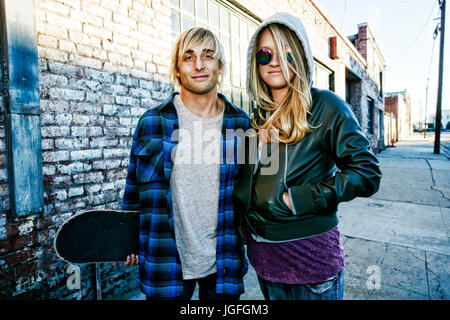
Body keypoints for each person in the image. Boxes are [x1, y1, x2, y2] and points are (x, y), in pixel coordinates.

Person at [233, 12, 382, 300]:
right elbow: (253, 183)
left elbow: (367, 173)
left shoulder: (327, 106)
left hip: (310, 259)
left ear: (301, 58)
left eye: (287, 54)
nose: (275, 61)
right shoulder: (256, 118)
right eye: (266, 53)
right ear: (256, 61)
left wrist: (301, 198)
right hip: (265, 259)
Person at [120, 27, 250, 300]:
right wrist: (127, 239)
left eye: (208, 55)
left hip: (223, 263)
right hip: (165, 261)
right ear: (177, 69)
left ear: (220, 65)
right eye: (188, 57)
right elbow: (133, 191)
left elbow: (250, 192)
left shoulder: (240, 124)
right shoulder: (152, 123)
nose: (199, 65)